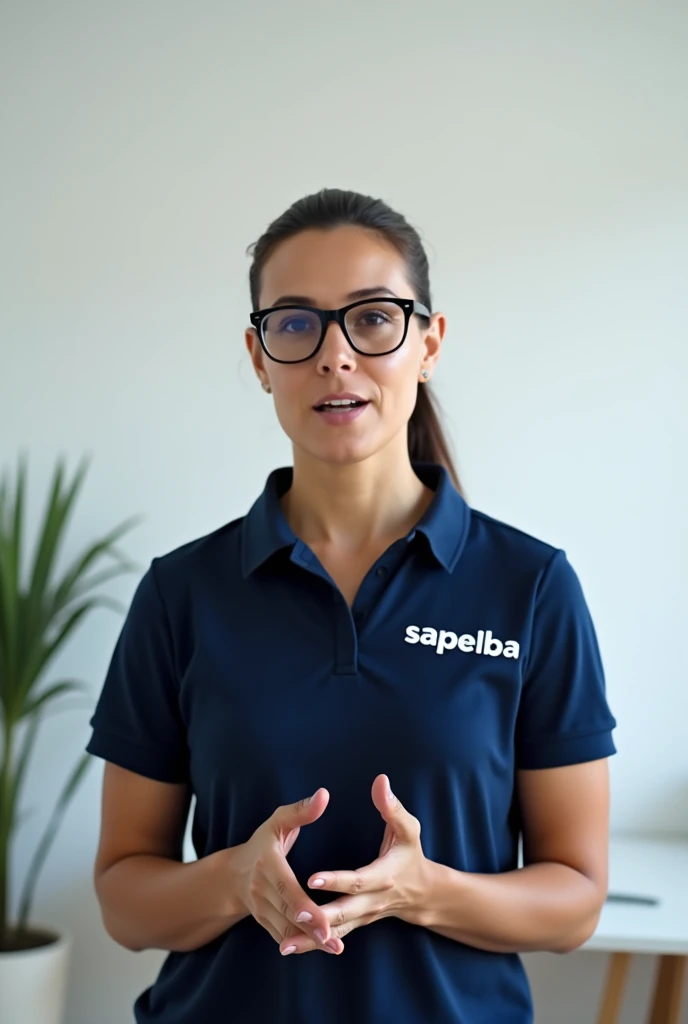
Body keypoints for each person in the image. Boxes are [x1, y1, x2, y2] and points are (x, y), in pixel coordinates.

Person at [86, 187, 617, 1024]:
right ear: (260, 357)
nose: (336, 356)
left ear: (429, 343)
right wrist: (233, 880)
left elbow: (576, 900)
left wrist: (422, 892)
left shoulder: (532, 587)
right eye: (296, 324)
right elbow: (124, 900)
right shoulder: (182, 593)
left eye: (372, 318)